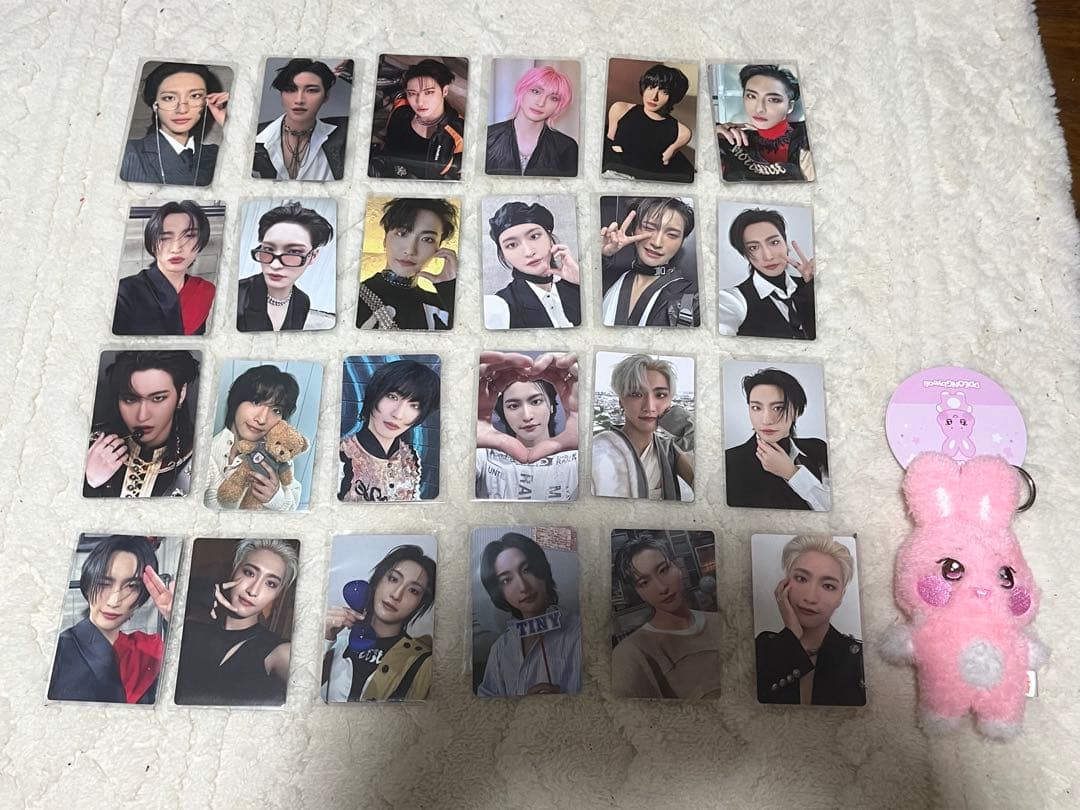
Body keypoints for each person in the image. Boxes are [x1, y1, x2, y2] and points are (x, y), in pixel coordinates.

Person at [48, 535, 174, 704]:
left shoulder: (149, 650)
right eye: (103, 583)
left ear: (143, 595)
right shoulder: (56, 650)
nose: (114, 601)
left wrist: (176, 618)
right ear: (87, 585)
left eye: (132, 586)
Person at [174, 539, 298, 706]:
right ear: (234, 569)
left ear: (278, 594)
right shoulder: (189, 629)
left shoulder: (278, 651)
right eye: (249, 573)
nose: (253, 590)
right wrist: (188, 598)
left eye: (270, 584)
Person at [756, 535, 865, 705]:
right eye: (801, 578)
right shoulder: (762, 648)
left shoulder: (860, 659)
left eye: (828, 586)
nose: (810, 597)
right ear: (784, 585)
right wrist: (792, 634)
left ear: (841, 596)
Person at [611, 534, 721, 699]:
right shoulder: (632, 653)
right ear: (638, 593)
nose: (662, 588)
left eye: (663, 570)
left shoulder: (720, 622)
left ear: (677, 567)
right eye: (644, 582)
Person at [322, 544, 437, 702]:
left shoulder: (424, 663)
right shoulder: (338, 644)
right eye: (393, 579)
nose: (396, 594)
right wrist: (325, 638)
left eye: (413, 590)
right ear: (377, 581)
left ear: (420, 603)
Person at [476, 532, 582, 696]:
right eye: (506, 580)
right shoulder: (500, 649)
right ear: (499, 592)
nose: (523, 587)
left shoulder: (580, 633)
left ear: (542, 570)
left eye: (527, 570)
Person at [84, 350, 199, 498]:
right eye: (130, 399)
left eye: (158, 398)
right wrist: (89, 482)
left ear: (181, 394)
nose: (142, 416)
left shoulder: (202, 458)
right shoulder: (88, 444)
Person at [475, 352, 579, 501]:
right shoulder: (482, 457)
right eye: (513, 406)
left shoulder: (579, 457)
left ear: (551, 406)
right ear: (504, 412)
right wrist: (462, 432)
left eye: (536, 402)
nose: (527, 416)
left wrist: (588, 431)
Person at [591, 354, 694, 500]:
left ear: (670, 401)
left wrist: (686, 423)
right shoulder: (599, 450)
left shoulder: (670, 452)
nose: (649, 407)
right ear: (621, 401)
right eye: (636, 394)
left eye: (660, 395)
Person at [725, 368, 830, 511]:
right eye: (756, 408)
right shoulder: (730, 462)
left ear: (797, 411)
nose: (766, 420)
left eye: (778, 408)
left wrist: (792, 473)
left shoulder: (818, 448)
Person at [204, 364, 305, 511]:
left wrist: (276, 499)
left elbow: (292, 505)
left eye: (276, 410)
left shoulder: (278, 454)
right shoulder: (207, 454)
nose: (262, 419)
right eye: (256, 402)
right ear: (237, 400)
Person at [338, 360, 440, 502]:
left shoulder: (410, 458)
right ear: (375, 393)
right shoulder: (341, 456)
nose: (398, 414)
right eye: (392, 397)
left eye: (414, 405)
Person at [112, 200, 216, 336]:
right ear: (151, 242)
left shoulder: (203, 290)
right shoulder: (124, 292)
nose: (176, 248)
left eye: (189, 236)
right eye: (165, 238)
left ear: (201, 242)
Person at [120, 61, 230, 186]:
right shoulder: (128, 153)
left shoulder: (218, 154)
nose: (182, 109)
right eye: (169, 98)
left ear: (206, 101)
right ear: (155, 105)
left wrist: (229, 120)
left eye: (195, 96)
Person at [356, 198, 458, 330]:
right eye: (402, 233)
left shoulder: (442, 307)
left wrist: (450, 289)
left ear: (438, 248)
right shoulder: (351, 298)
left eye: (427, 239)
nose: (410, 250)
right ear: (385, 239)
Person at [717, 208, 816, 340]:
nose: (768, 256)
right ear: (745, 254)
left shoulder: (810, 285)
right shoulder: (734, 300)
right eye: (753, 247)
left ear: (786, 244)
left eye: (774, 242)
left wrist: (816, 285)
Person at [599, 198, 699, 327]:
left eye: (672, 235)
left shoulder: (691, 298)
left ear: (682, 241)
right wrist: (601, 255)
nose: (657, 243)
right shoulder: (606, 278)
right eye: (649, 228)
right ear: (633, 229)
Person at [236, 201, 335, 332]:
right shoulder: (236, 296)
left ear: (313, 256)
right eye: (268, 249)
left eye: (294, 252)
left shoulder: (302, 301)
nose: (275, 264)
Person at [483, 201, 580, 329]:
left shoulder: (576, 286)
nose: (529, 252)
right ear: (503, 255)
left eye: (534, 236)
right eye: (512, 245)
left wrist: (580, 280)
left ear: (550, 238)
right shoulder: (501, 307)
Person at [252, 58, 352, 181]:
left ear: (326, 96)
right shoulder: (252, 136)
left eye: (311, 90)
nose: (299, 100)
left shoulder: (344, 133)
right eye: (290, 89)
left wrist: (350, 68)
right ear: (281, 95)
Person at [715, 64, 815, 182]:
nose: (759, 109)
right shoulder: (727, 137)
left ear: (790, 106)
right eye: (751, 96)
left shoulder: (807, 139)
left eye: (773, 99)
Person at [369, 58, 464, 180]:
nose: (419, 102)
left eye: (428, 92)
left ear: (444, 91)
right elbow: (387, 139)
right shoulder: (401, 107)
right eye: (412, 93)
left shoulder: (460, 133)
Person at [604, 63, 694, 183]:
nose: (654, 97)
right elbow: (609, 145)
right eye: (651, 87)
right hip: (615, 173)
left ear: (674, 96)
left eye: (664, 92)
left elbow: (665, 163)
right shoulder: (620, 109)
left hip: (649, 179)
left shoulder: (682, 132)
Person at [486, 66, 578, 177]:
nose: (541, 103)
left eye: (553, 98)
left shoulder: (566, 147)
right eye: (536, 91)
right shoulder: (487, 137)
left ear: (559, 105)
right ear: (522, 90)